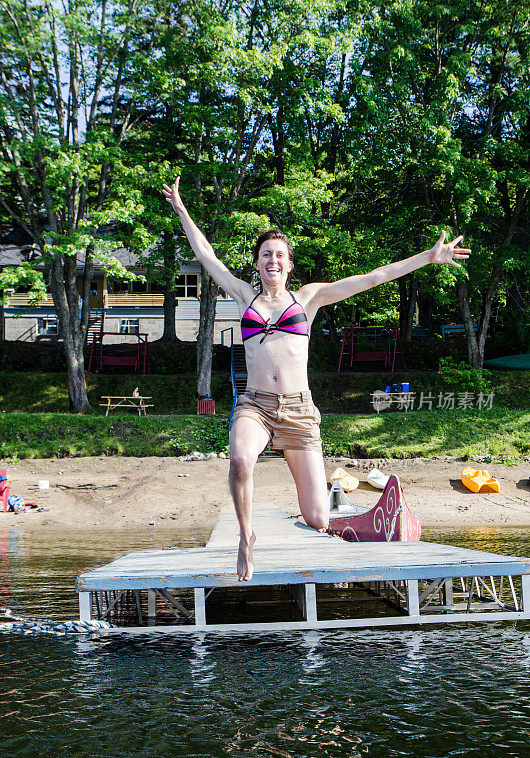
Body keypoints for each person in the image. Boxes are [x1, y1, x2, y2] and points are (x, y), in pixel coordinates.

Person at [162, 177, 471, 581]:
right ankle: (244, 538)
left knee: (317, 519)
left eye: (280, 255)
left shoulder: (308, 298)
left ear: (289, 264)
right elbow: (206, 256)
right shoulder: (243, 296)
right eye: (265, 254)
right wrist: (182, 209)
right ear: (257, 264)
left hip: (299, 411)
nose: (272, 260)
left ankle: (375, 518)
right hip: (255, 405)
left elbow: (374, 277)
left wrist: (427, 258)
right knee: (239, 461)